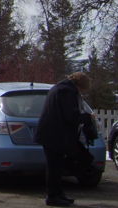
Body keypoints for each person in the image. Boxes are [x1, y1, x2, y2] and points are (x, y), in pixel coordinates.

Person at [34, 72, 92, 207]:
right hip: (55, 135)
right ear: (80, 85)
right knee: (54, 167)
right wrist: (86, 117)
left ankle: (58, 193)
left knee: (56, 166)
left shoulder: (59, 88)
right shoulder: (67, 91)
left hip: (51, 134)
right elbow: (70, 116)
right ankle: (53, 196)